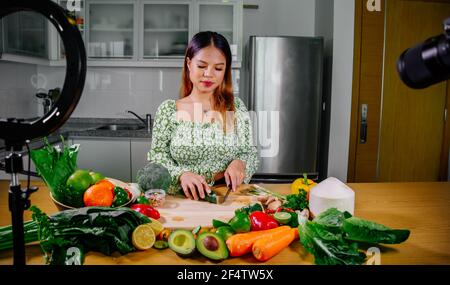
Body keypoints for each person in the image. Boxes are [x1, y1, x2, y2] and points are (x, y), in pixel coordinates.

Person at [148, 31, 259, 200]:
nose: (209, 74)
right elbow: (157, 157)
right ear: (189, 63)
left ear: (225, 71)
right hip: (180, 199)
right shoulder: (169, 110)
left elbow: (249, 152)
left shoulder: (235, 108)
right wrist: (181, 174)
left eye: (218, 68)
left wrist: (240, 163)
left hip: (226, 198)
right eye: (201, 66)